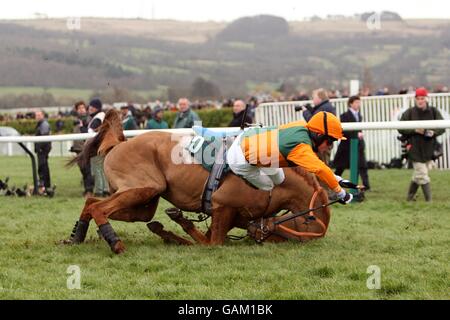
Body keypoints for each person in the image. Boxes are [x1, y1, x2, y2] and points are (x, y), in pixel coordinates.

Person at [226, 111, 353, 204]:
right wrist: (341, 193)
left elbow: (317, 165)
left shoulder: (303, 126)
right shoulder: (300, 148)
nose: (330, 146)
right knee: (268, 186)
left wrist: (338, 180)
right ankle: (245, 207)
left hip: (249, 140)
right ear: (318, 135)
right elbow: (320, 169)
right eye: (330, 141)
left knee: (280, 179)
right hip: (240, 159)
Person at [398, 87, 444, 201]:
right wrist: (414, 130)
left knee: (418, 175)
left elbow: (443, 127)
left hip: (429, 148)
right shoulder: (409, 112)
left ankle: (409, 198)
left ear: (426, 99)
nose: (420, 101)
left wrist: (434, 132)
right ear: (415, 99)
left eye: (422, 98)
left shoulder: (434, 111)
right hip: (414, 148)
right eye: (418, 98)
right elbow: (400, 128)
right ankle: (429, 201)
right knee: (422, 174)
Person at [333, 96, 371, 190]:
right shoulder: (344, 116)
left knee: (362, 165)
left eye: (359, 102)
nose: (358, 104)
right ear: (351, 103)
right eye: (356, 102)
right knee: (340, 167)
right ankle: (333, 183)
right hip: (347, 146)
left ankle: (366, 186)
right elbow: (344, 131)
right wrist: (356, 134)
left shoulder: (359, 115)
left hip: (358, 145)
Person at [302, 88, 337, 164]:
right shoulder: (327, 106)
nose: (313, 100)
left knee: (322, 166)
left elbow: (312, 121)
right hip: (326, 141)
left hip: (322, 142)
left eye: (314, 98)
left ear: (319, 98)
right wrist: (310, 109)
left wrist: (305, 112)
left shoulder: (323, 108)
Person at [70, 101, 94, 198]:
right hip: (78, 149)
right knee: (83, 170)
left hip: (86, 148)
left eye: (83, 108)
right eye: (79, 108)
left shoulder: (89, 119)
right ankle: (87, 189)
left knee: (87, 170)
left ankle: (89, 191)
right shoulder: (76, 120)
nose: (81, 110)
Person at [87, 98, 109, 197]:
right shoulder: (101, 116)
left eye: (93, 107)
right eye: (91, 106)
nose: (90, 108)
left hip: (96, 147)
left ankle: (99, 191)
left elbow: (91, 132)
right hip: (101, 146)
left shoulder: (97, 118)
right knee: (102, 169)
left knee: (97, 169)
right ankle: (105, 189)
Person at [34, 110, 53, 195]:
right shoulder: (41, 124)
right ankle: (44, 185)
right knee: (42, 167)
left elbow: (44, 138)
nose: (37, 116)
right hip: (41, 149)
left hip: (43, 149)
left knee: (43, 168)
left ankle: (45, 185)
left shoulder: (44, 124)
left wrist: (40, 148)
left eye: (39, 115)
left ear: (43, 115)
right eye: (36, 115)